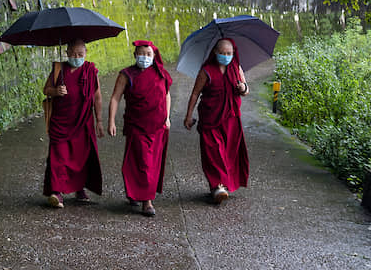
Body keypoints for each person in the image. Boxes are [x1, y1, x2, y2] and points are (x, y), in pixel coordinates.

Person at [107, 40, 172, 217]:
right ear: (135, 55)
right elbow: (115, 98)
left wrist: (167, 117)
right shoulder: (126, 74)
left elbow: (166, 95)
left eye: (148, 55)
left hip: (157, 126)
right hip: (136, 124)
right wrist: (111, 121)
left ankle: (139, 193)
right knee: (141, 161)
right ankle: (147, 201)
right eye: (141, 54)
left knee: (152, 163)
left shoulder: (161, 74)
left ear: (154, 56)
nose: (144, 58)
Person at [183, 38, 250, 203]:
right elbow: (194, 94)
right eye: (222, 53)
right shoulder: (206, 71)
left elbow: (245, 89)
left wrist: (244, 88)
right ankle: (218, 186)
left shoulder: (236, 68)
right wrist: (188, 115)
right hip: (210, 118)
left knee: (228, 153)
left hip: (231, 119)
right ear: (215, 52)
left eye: (229, 53)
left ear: (233, 54)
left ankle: (221, 186)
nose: (226, 56)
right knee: (214, 152)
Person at [42, 39, 104, 208]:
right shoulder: (58, 69)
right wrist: (56, 91)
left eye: (80, 54)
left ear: (85, 54)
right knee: (58, 156)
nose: (76, 57)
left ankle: (79, 188)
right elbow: (46, 90)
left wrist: (99, 120)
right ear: (67, 53)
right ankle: (56, 192)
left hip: (83, 122)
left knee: (80, 157)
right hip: (61, 121)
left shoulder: (91, 71)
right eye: (73, 54)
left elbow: (97, 97)